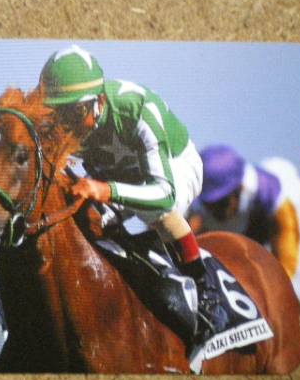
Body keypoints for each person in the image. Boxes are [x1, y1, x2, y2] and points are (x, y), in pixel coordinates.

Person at [39, 44, 227, 350]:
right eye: (58, 114)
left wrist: (105, 190)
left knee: (156, 212)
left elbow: (164, 194)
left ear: (99, 101)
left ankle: (206, 291)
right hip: (122, 173)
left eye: (75, 113)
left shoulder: (136, 108)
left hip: (175, 168)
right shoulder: (66, 123)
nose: (66, 126)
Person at [188, 145, 300, 304]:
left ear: (239, 188)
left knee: (291, 292)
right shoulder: (200, 204)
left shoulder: (276, 199)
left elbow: (288, 262)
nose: (214, 212)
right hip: (251, 226)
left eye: (220, 204)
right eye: (209, 205)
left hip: (289, 221)